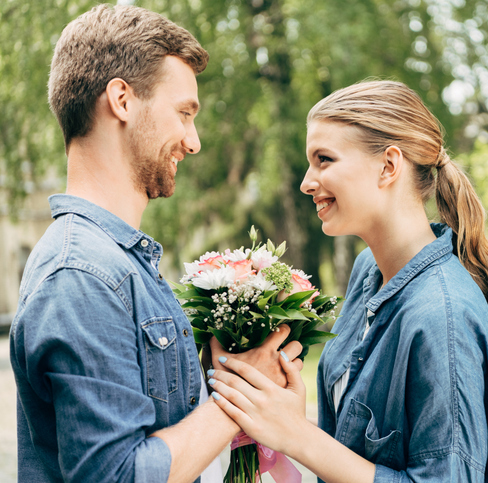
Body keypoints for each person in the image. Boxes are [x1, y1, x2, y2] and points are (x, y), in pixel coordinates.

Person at [9, 5, 302, 482]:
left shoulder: (121, 262)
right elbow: (119, 475)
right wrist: (244, 394)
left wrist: (214, 375)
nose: (194, 141)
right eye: (184, 114)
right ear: (122, 100)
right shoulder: (82, 276)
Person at [207, 80, 488, 482]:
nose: (307, 182)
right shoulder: (369, 272)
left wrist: (298, 436)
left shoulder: (441, 317)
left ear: (389, 166)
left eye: (324, 159)